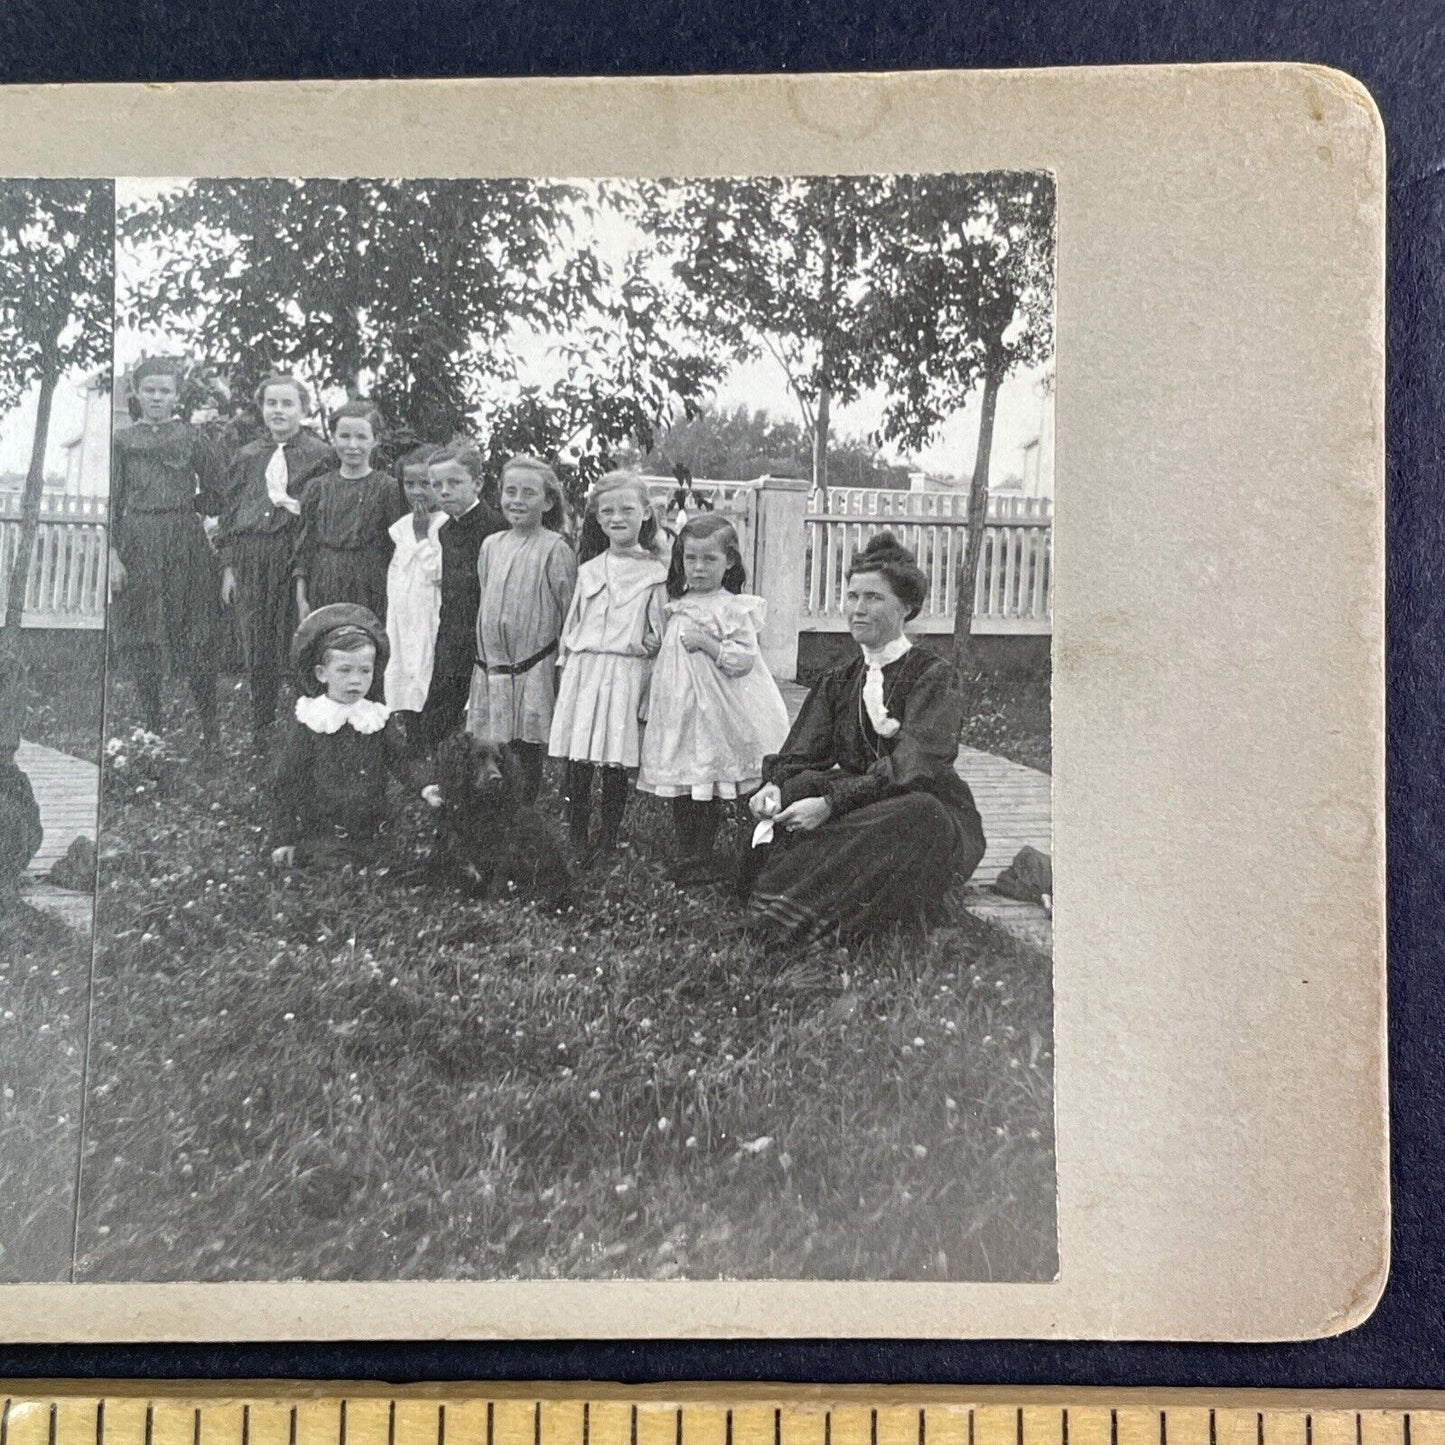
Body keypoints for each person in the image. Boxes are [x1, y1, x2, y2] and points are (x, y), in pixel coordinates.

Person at [740, 531, 987, 943]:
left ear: (906, 607)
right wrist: (774, 787)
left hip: (927, 814)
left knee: (918, 811)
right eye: (852, 597)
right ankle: (792, 899)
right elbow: (801, 752)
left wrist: (833, 803)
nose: (857, 609)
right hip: (865, 804)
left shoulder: (933, 676)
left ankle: (791, 907)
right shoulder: (840, 680)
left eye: (873, 598)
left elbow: (916, 765)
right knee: (800, 786)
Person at [638, 513, 790, 883]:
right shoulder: (677, 603)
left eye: (710, 559)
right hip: (680, 709)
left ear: (730, 561)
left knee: (710, 780)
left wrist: (707, 643)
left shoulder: (732, 607)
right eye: (691, 559)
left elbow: (742, 659)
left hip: (717, 711)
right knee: (684, 781)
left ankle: (709, 855)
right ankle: (687, 852)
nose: (699, 568)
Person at [548, 471, 668, 862]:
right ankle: (577, 833)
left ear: (646, 513)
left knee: (615, 756)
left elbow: (659, 633)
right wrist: (566, 666)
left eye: (627, 510)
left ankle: (608, 836)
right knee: (579, 754)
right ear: (597, 519)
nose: (618, 518)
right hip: (586, 670)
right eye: (608, 511)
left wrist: (652, 649)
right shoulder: (589, 570)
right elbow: (574, 625)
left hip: (625, 672)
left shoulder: (655, 573)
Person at [108, 356, 226, 750]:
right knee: (142, 634)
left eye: (165, 391)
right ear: (136, 395)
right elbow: (112, 502)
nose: (157, 398)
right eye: (150, 390)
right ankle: (153, 727)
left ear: (177, 396)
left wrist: (194, 512)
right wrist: (113, 555)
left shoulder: (191, 437)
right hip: (138, 541)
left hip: (183, 542)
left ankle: (211, 730)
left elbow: (218, 490)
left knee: (197, 634)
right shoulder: (122, 442)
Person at [216, 374, 333, 743]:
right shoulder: (248, 456)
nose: (279, 410)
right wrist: (230, 567)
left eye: (287, 404)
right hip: (251, 557)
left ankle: (307, 729)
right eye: (272, 403)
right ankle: (262, 726)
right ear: (262, 408)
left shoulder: (320, 456)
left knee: (297, 639)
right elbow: (230, 515)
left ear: (303, 409)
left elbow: (319, 516)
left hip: (293, 553)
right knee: (257, 642)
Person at [270, 603, 419, 870]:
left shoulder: (375, 717)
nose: (355, 681)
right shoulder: (312, 719)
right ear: (321, 673)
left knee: (396, 864)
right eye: (344, 670)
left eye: (365, 671)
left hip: (372, 827)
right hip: (326, 829)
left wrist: (425, 785)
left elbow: (402, 761)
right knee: (331, 862)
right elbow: (287, 783)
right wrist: (284, 837)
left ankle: (367, 855)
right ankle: (320, 855)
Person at [466, 455, 578, 804]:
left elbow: (568, 613)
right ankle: (493, 814)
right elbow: (489, 598)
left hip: (532, 668)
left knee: (524, 752)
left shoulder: (555, 548)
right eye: (509, 491)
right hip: (490, 669)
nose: (516, 500)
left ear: (547, 502)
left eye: (528, 493)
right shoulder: (491, 545)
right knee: (490, 747)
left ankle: (523, 816)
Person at [414, 439, 504, 752]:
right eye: (436, 485)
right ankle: (439, 763)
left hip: (485, 630)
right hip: (453, 627)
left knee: (484, 707)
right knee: (442, 698)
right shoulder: (445, 530)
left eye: (454, 482)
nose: (444, 491)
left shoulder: (496, 528)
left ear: (478, 483)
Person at [292, 400, 405, 621]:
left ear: (376, 440)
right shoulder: (317, 488)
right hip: (324, 584)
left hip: (371, 586)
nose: (352, 445)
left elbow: (398, 549)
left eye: (362, 437)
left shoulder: (388, 488)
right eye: (344, 436)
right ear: (333, 439)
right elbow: (304, 549)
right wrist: (301, 600)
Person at [383, 445, 445, 714]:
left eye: (425, 484)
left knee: (425, 665)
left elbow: (438, 573)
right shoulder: (402, 525)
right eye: (409, 484)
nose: (416, 491)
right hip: (404, 611)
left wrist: (422, 538)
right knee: (403, 665)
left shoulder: (443, 523)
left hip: (428, 610)